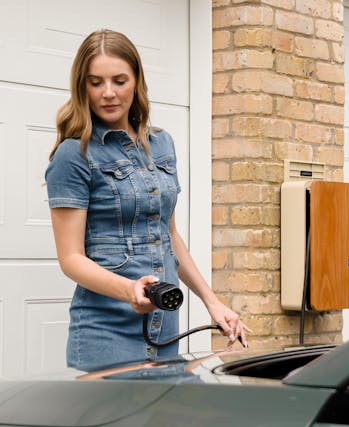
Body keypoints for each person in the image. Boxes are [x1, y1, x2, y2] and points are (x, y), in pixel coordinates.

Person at [45, 29, 250, 372]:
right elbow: (71, 259)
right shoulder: (74, 155)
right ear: (82, 86)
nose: (108, 93)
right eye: (95, 82)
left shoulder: (161, 144)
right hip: (106, 333)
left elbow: (168, 237)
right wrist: (129, 290)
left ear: (137, 81)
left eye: (119, 80)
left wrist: (212, 303)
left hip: (165, 328)